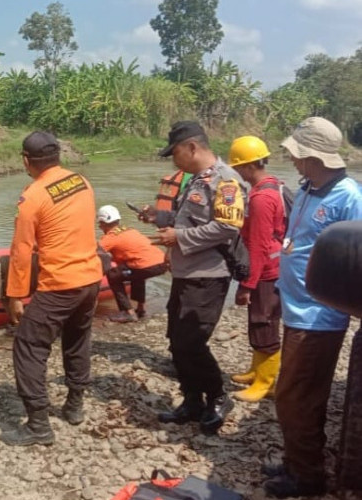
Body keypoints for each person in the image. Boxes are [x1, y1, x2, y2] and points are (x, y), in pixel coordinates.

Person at [261, 117, 362, 499]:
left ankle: (307, 476)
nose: (291, 159)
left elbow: (356, 257)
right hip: (296, 306)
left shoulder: (349, 197)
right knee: (300, 394)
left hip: (320, 315)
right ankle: (297, 461)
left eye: (296, 154)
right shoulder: (307, 188)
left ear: (314, 158)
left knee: (295, 396)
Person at [140, 121, 247, 435]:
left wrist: (179, 237)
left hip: (209, 275)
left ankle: (217, 396)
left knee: (192, 340)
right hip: (187, 272)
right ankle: (191, 400)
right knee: (176, 337)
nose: (173, 160)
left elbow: (229, 227)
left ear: (192, 147)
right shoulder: (197, 180)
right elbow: (189, 217)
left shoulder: (226, 181)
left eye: (174, 152)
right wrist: (158, 217)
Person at [1, 131, 103, 446]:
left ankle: (38, 426)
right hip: (91, 279)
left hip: (60, 283)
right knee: (77, 339)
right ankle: (74, 406)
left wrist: (15, 295)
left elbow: (21, 251)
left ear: (26, 161)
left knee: (29, 346)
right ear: (58, 156)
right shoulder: (81, 182)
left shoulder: (32, 196)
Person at [227, 136, 286, 402]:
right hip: (272, 267)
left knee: (264, 322)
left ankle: (268, 382)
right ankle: (257, 370)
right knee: (259, 320)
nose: (236, 172)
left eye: (238, 167)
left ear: (249, 166)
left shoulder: (262, 198)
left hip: (267, 272)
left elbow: (259, 246)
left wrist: (247, 285)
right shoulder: (273, 186)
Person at [96, 204, 168, 322]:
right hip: (162, 262)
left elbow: (94, 253)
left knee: (113, 275)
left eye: (100, 224)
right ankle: (140, 309)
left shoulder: (110, 238)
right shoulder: (130, 230)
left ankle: (127, 312)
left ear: (103, 222)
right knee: (137, 274)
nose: (100, 226)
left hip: (146, 265)